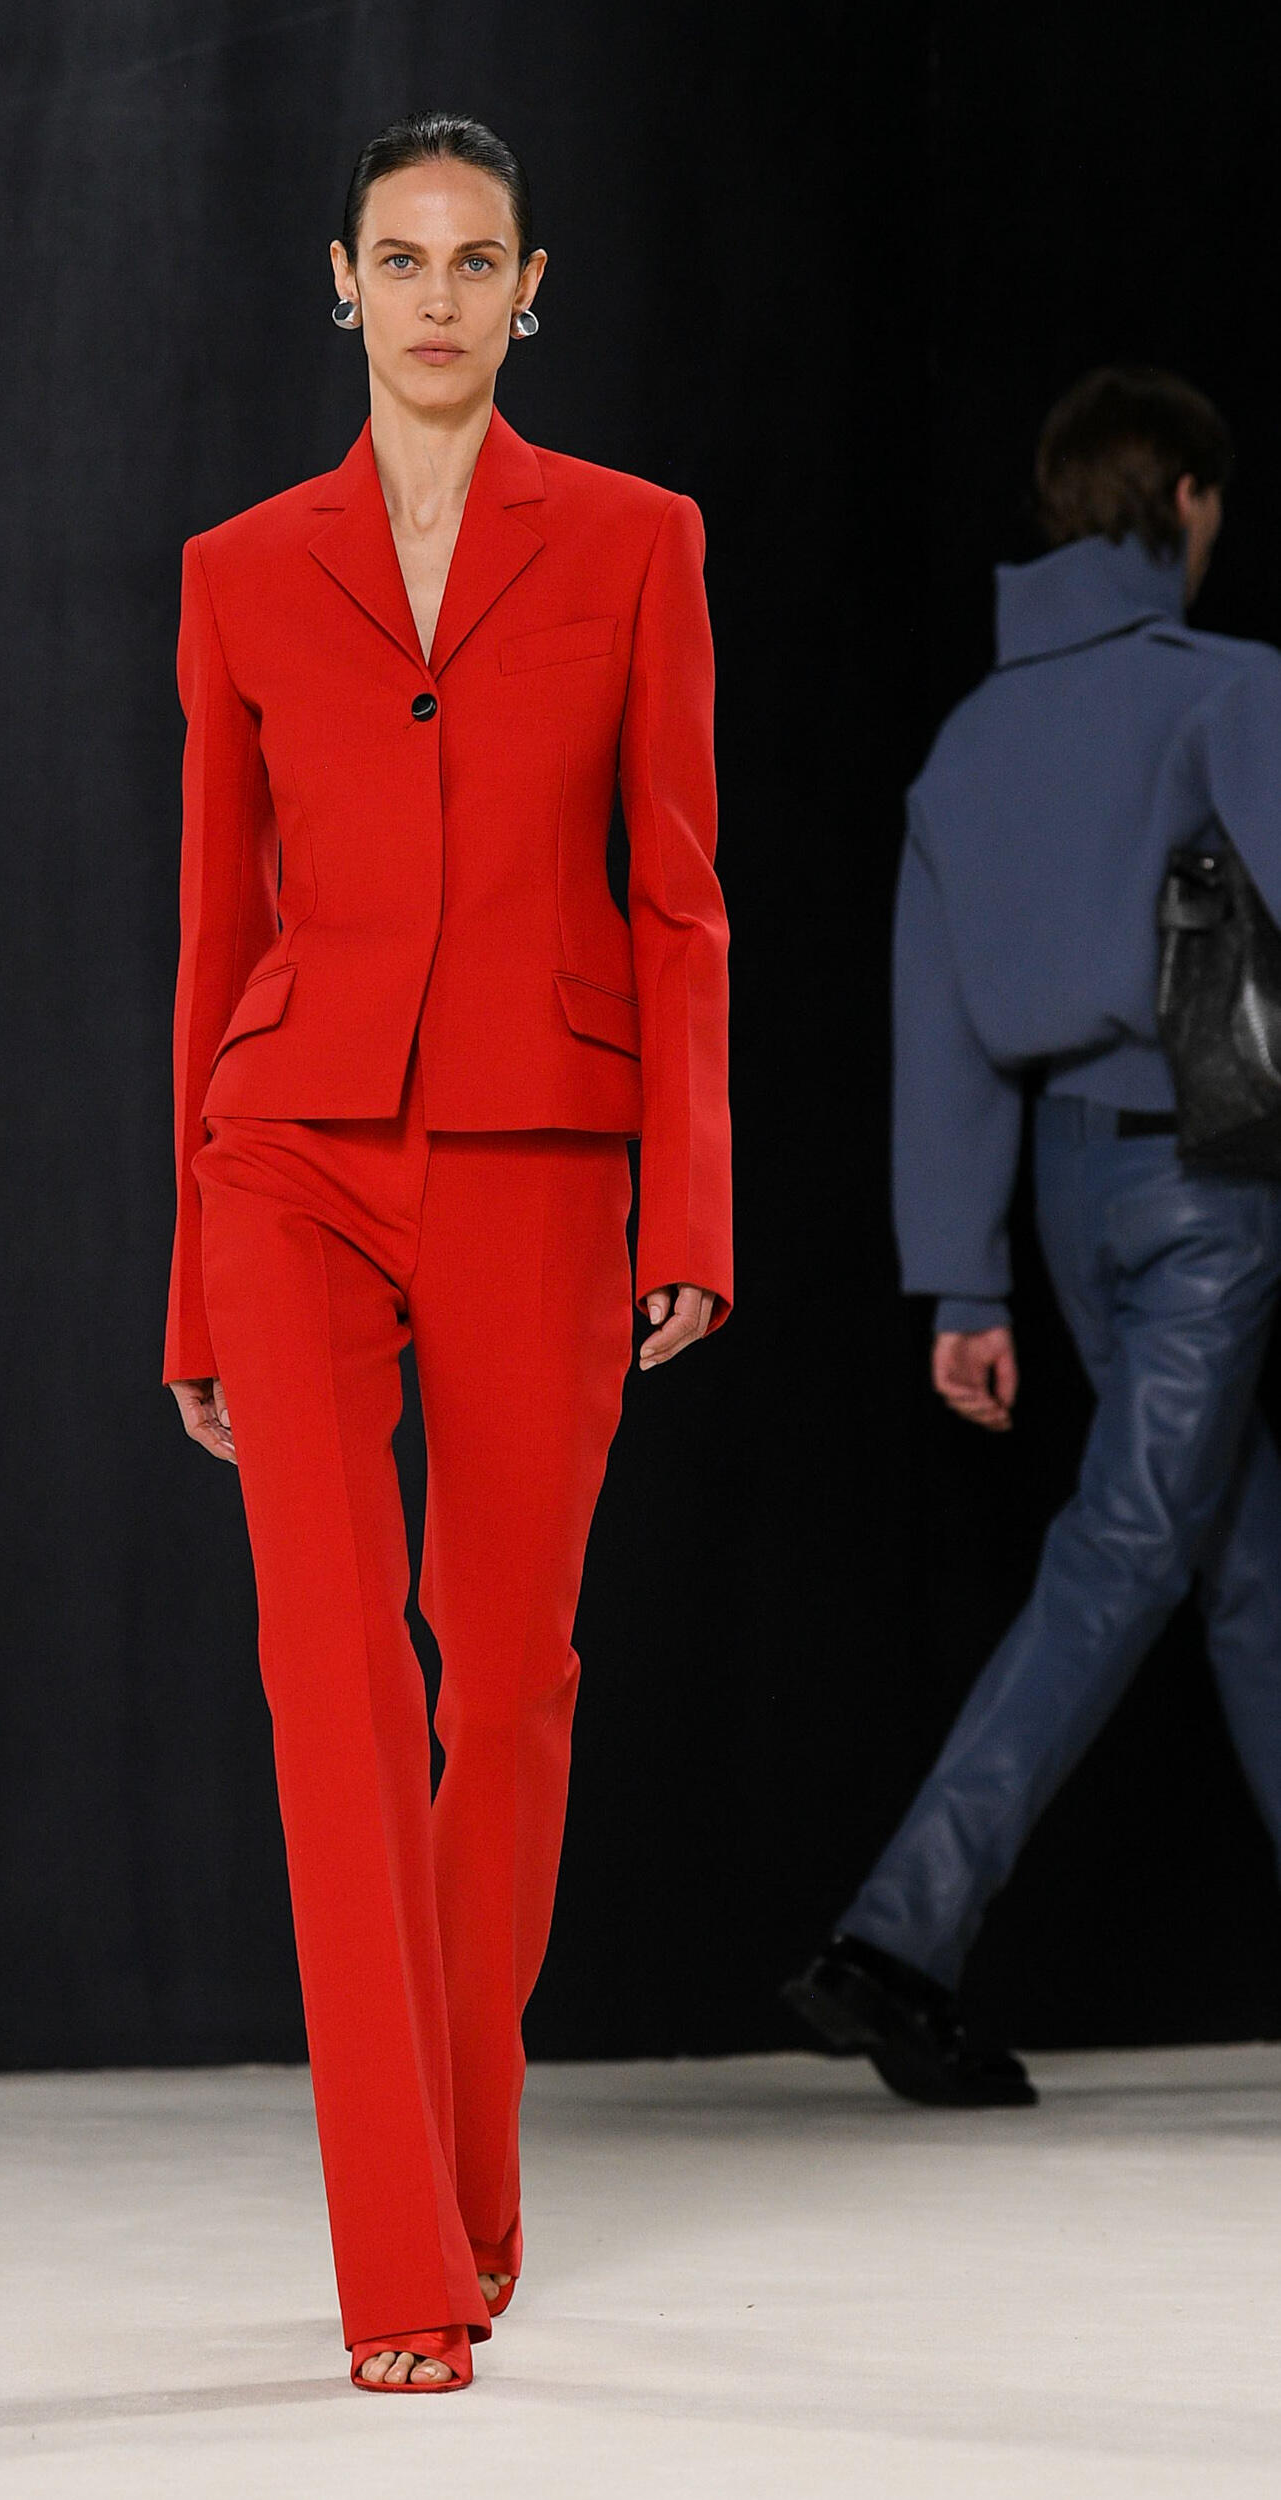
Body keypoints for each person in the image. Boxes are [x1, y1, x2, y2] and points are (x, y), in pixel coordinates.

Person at [164, 114, 731, 2390]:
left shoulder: (636, 541)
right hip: (289, 1156)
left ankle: (475, 2164)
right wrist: (188, 1281)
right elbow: (215, 930)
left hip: (539, 1148)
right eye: (396, 258)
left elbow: (678, 895)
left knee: (501, 1686)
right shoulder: (240, 568)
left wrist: (691, 1201)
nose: (432, 295)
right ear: (340, 281)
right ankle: (401, 2255)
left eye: (471, 260)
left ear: (530, 291)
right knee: (334, 1684)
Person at [784, 366, 1281, 2107]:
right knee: (1132, 1552)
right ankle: (896, 1937)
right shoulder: (1228, 692)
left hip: (1071, 1202)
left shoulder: (970, 747)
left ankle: (899, 1937)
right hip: (1210, 1181)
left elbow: (941, 1033)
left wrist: (962, 1283)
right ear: (1185, 504)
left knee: (1242, 1566)